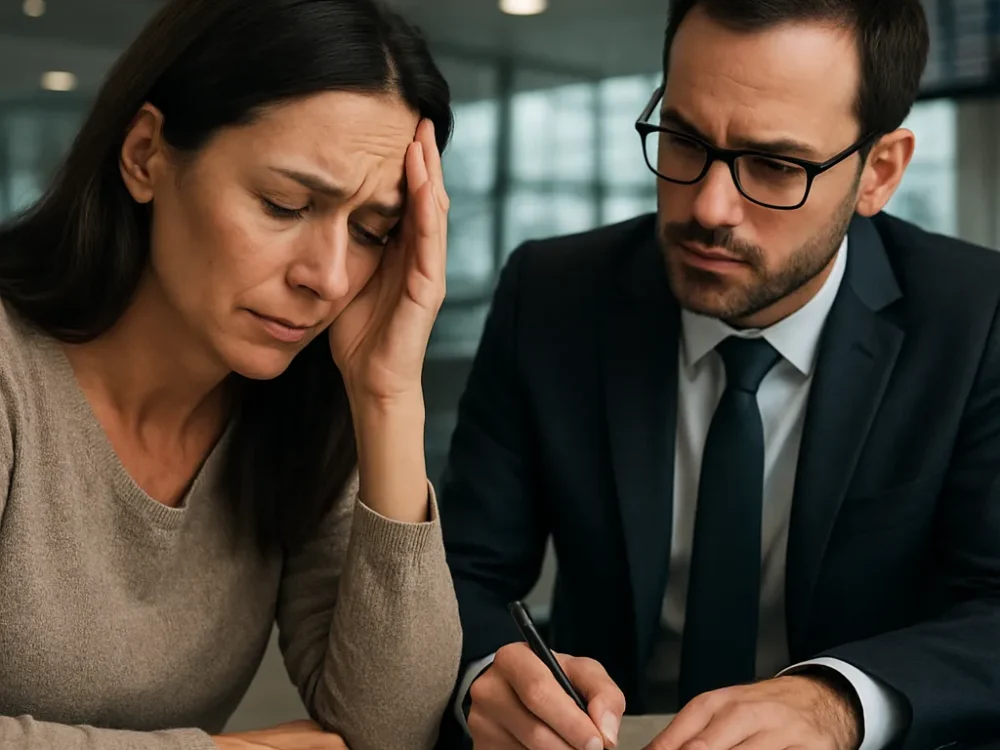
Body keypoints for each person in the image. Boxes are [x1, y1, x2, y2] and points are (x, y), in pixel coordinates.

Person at [437, 0, 1000, 749]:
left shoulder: (977, 318)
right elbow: (463, 571)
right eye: (683, 140)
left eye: (776, 166)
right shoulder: (552, 295)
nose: (708, 208)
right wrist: (487, 674)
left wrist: (837, 704)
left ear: (880, 171)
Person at [0, 1, 461, 749]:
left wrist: (388, 397)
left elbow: (390, 732)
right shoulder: (10, 378)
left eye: (370, 231)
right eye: (285, 205)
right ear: (145, 154)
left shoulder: (297, 410)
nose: (328, 277)